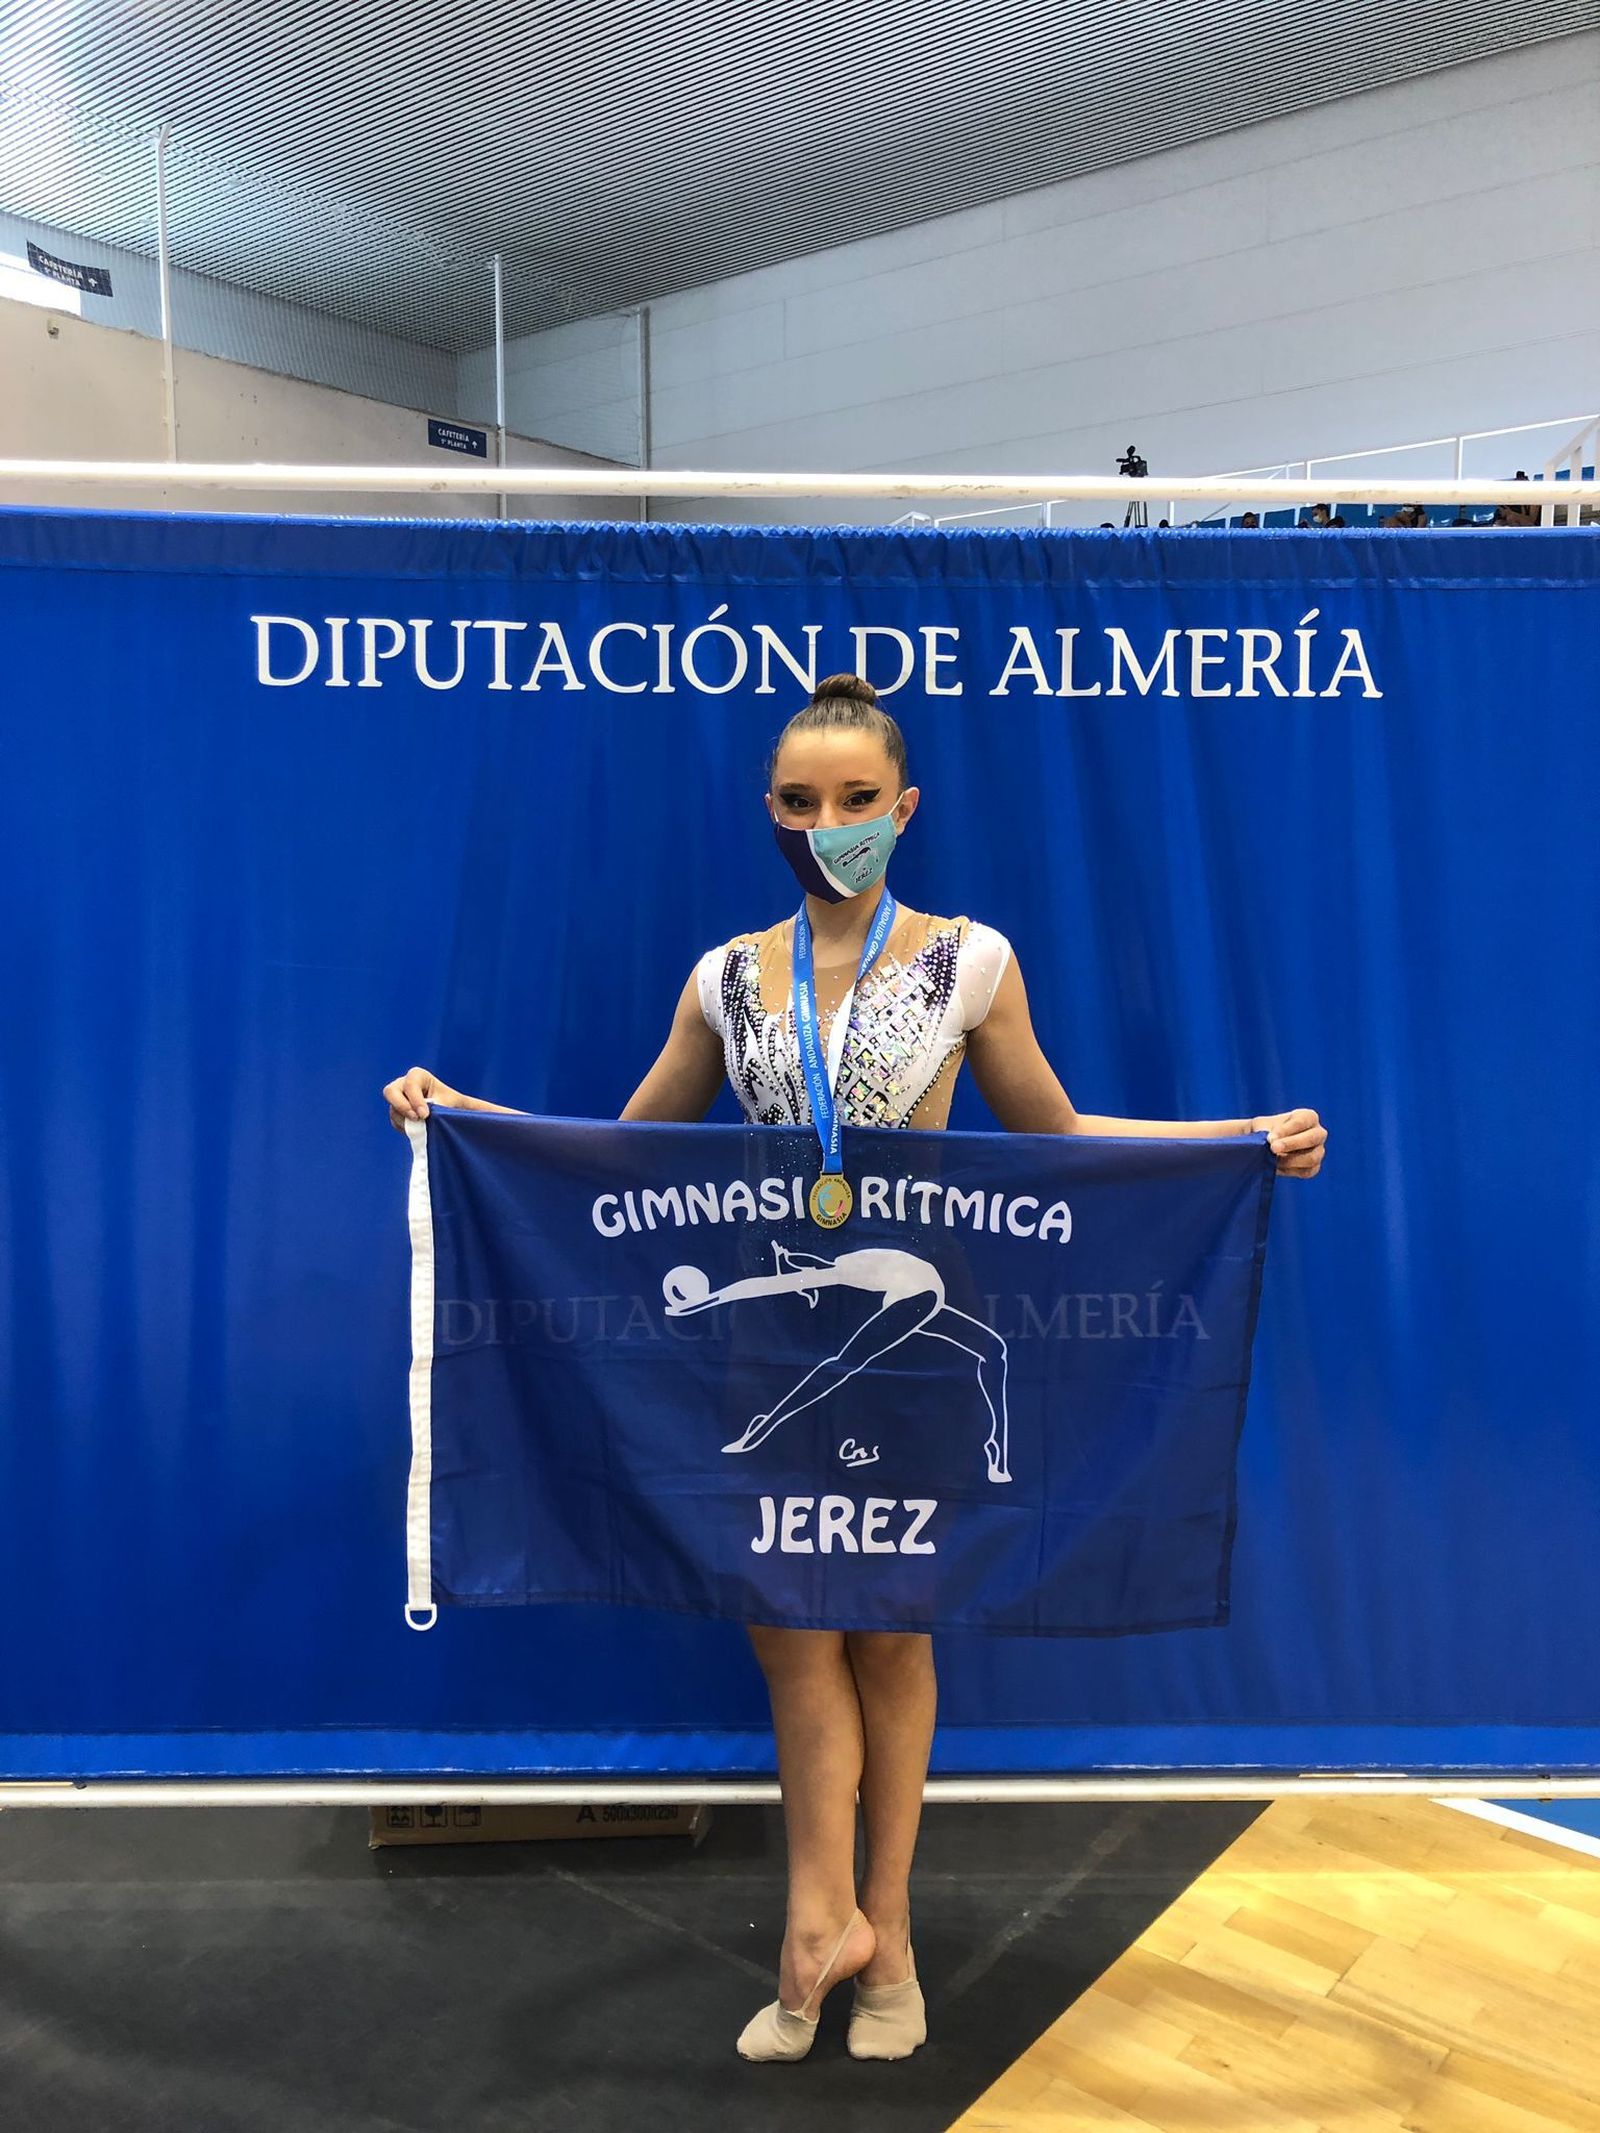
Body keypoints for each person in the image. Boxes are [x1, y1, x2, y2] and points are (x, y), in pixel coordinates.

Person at [381, 674, 1329, 2066]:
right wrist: (468, 1119)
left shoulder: (971, 962)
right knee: (787, 1638)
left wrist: (1233, 1138)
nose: (830, 824)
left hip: (900, 1329)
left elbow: (1056, 1131)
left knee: (890, 1629)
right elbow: (622, 1153)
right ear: (770, 810)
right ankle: (812, 1923)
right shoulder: (725, 976)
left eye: (856, 801)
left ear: (905, 807)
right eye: (802, 802)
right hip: (769, 1334)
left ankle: (891, 1940)